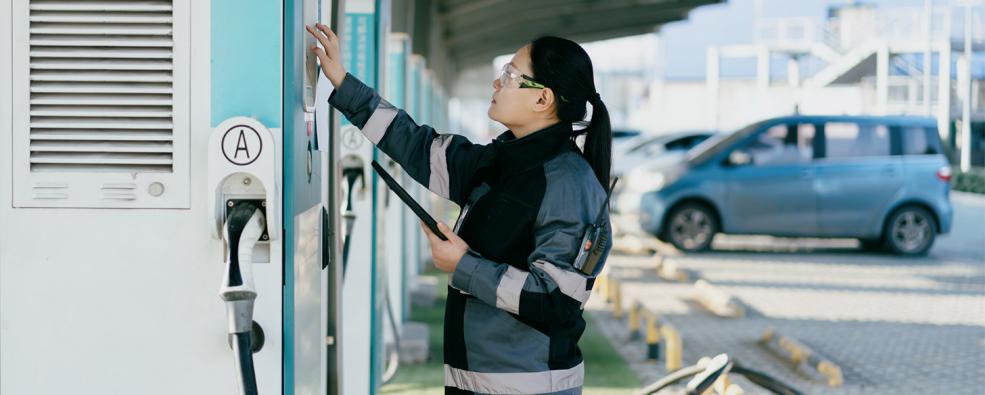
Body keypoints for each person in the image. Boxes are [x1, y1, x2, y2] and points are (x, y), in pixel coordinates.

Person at [307, 23, 613, 395]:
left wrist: (464, 265)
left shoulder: (568, 183)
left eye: (510, 75)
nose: (497, 84)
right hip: (479, 380)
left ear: (543, 99)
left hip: (528, 386)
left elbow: (556, 301)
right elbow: (418, 146)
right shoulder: (503, 161)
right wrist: (343, 83)